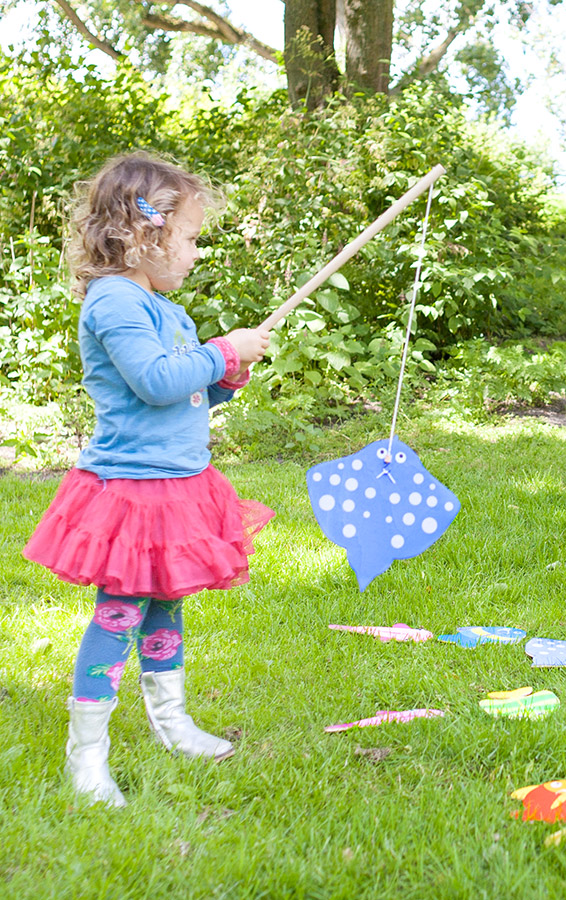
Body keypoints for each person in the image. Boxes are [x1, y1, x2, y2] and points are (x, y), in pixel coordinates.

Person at [23, 152, 273, 807]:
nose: (194, 252)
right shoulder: (114, 303)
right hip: (131, 490)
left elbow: (188, 395)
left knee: (166, 604)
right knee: (118, 613)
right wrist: (222, 350)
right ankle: (87, 755)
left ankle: (173, 721)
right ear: (145, 233)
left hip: (178, 485)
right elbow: (156, 382)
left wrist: (226, 375)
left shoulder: (164, 308)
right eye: (188, 238)